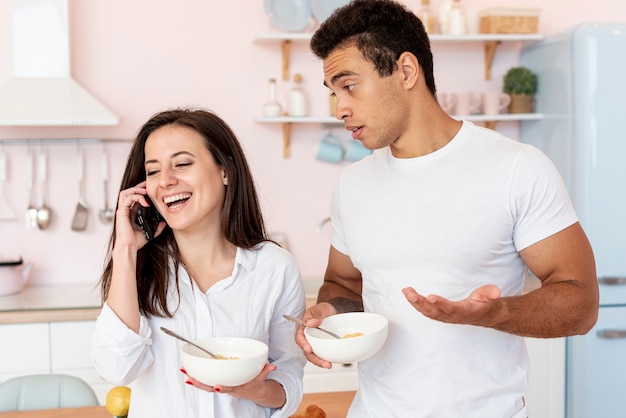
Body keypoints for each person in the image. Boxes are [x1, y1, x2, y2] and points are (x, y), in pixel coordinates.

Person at [294, 1, 599, 417]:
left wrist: (497, 313)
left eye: (349, 86)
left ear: (405, 71)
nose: (339, 108)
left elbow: (581, 304)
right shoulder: (353, 184)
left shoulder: (515, 168)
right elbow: (344, 286)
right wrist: (329, 312)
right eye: (333, 92)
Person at [92, 108, 306, 418]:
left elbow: (288, 375)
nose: (165, 180)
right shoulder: (138, 266)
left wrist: (256, 390)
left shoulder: (275, 267)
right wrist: (125, 248)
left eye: (182, 164)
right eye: (152, 171)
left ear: (225, 171)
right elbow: (116, 369)